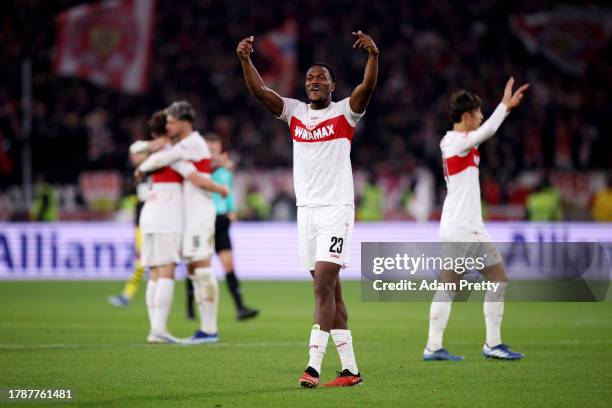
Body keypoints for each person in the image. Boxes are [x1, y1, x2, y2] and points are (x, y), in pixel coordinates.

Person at [237, 29, 378, 388]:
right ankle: (350, 371)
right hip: (307, 212)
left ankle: (312, 367)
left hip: (336, 209)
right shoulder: (295, 113)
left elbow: (367, 89)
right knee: (332, 294)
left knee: (322, 288)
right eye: (310, 78)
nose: (313, 81)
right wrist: (245, 59)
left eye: (321, 78)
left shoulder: (346, 112)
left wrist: (373, 57)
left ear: (332, 87)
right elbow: (259, 92)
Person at [424, 78, 529, 361]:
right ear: (467, 116)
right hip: (463, 227)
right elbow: (489, 129)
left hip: (466, 225)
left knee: (455, 284)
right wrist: (505, 106)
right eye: (479, 113)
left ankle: (435, 346)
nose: (482, 118)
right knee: (495, 278)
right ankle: (489, 344)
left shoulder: (455, 141)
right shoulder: (456, 141)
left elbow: (484, 132)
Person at [137, 101, 227, 345]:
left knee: (202, 266)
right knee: (193, 270)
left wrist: (143, 165)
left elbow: (171, 163)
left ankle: (210, 329)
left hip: (199, 213)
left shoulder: (192, 142)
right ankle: (204, 329)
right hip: (184, 216)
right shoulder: (183, 145)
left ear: (184, 123)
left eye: (172, 122)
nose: (168, 127)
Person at [108, 112, 167, 308]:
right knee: (145, 261)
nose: (134, 157)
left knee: (145, 261)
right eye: (132, 155)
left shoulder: (153, 171)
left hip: (154, 222)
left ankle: (129, 295)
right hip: (141, 224)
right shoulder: (135, 175)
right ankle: (142, 294)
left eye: (137, 154)